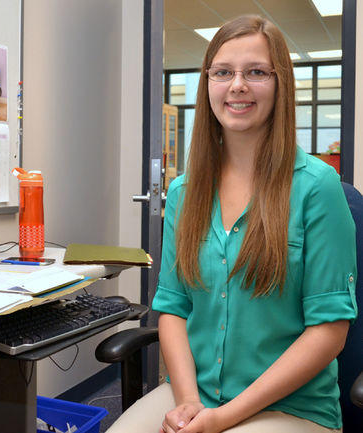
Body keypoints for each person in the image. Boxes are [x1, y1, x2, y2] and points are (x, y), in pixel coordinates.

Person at [107, 15, 357, 433]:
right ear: (208, 84)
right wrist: (189, 403)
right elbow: (172, 309)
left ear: (280, 85)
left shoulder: (317, 188)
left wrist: (222, 418)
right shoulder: (186, 192)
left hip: (290, 407)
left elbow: (328, 332)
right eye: (223, 72)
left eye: (256, 72)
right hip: (196, 393)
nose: (237, 84)